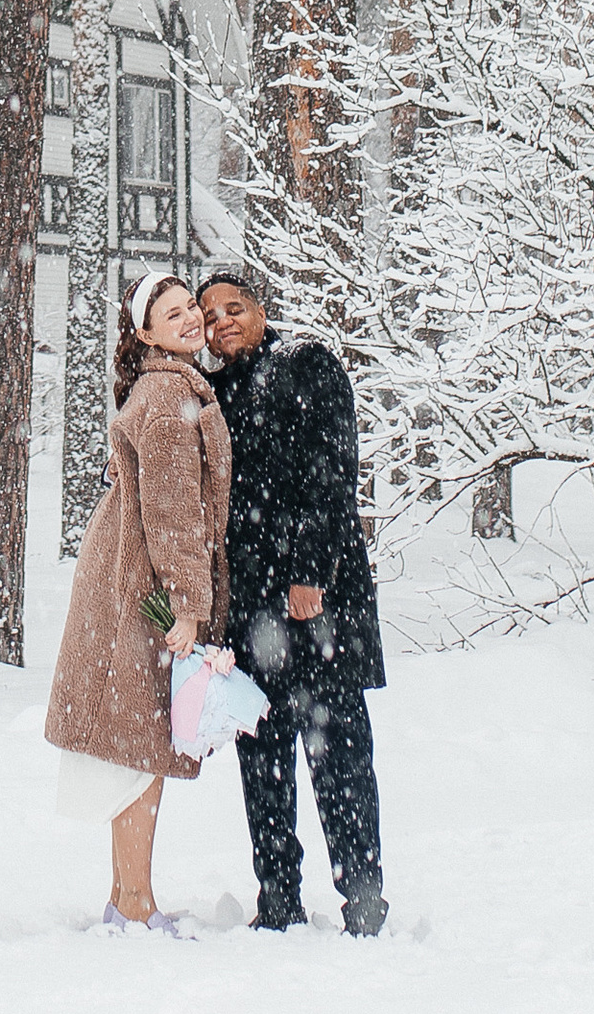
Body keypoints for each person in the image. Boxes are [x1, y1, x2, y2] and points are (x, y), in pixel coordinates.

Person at [198, 266, 389, 937]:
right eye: (209, 314)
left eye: (233, 307)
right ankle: (276, 896)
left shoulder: (306, 362)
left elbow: (333, 470)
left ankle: (363, 900)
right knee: (263, 757)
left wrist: (311, 571)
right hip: (248, 608)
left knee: (338, 756)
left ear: (259, 309)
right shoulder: (209, 393)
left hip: (318, 599)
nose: (221, 320)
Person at [44, 268, 231, 937]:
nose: (188, 319)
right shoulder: (166, 398)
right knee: (140, 750)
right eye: (171, 311)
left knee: (140, 747)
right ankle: (131, 905)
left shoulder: (172, 389)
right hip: (140, 590)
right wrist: (187, 607)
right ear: (145, 331)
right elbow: (174, 513)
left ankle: (131, 896)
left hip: (130, 580)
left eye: (191, 309)